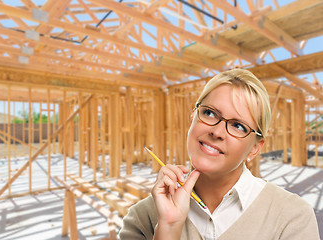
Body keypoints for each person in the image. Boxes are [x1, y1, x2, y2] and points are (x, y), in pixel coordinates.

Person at [119, 69, 320, 240]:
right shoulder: (143, 218)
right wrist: (168, 230)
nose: (217, 131)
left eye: (238, 126)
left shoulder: (292, 218)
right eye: (209, 113)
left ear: (255, 149)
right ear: (193, 119)